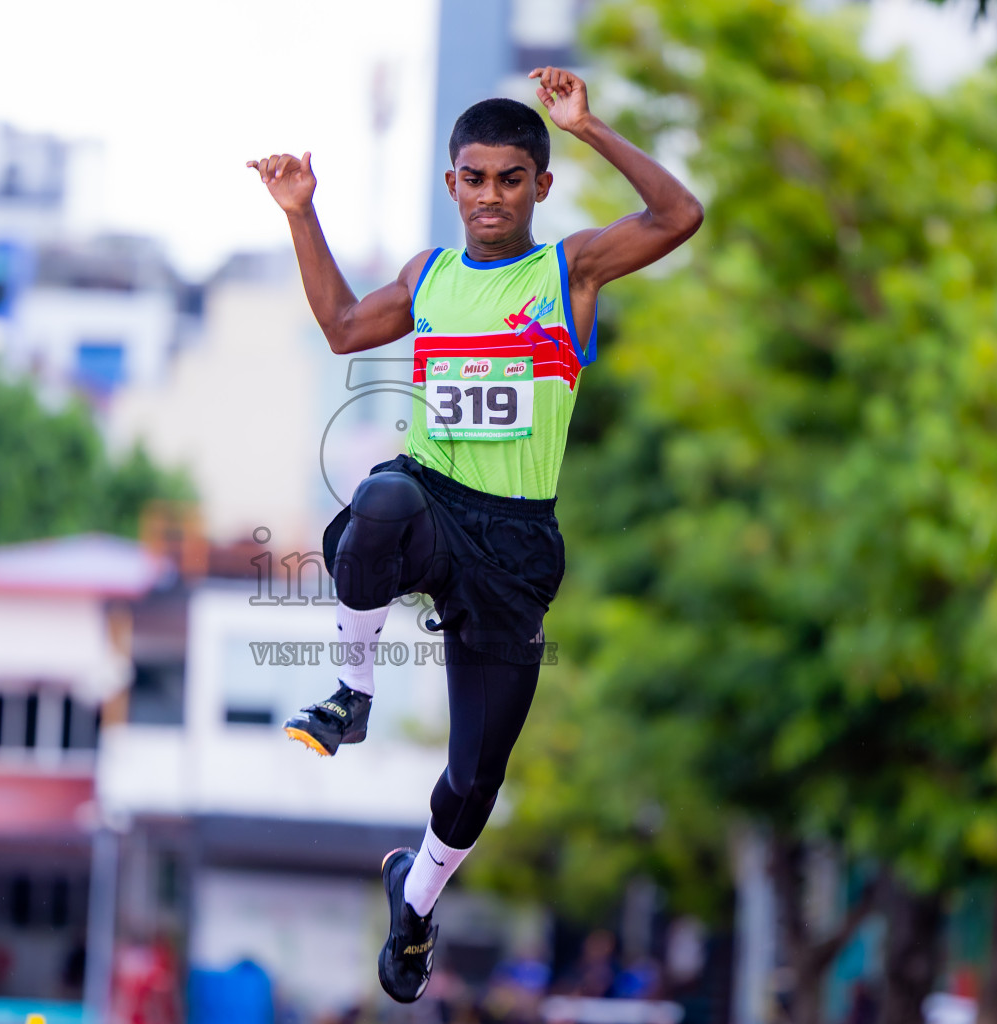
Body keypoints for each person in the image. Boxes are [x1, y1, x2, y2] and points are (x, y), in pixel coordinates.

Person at [248, 65, 703, 1004]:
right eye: (473, 177)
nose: (490, 195)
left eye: (509, 178)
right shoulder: (430, 277)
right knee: (378, 503)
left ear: (537, 185)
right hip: (433, 503)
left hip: (517, 544)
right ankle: (351, 693)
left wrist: (589, 130)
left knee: (472, 782)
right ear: (451, 183)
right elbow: (339, 328)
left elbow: (679, 217)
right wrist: (301, 211)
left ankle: (412, 903)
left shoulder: (568, 268)